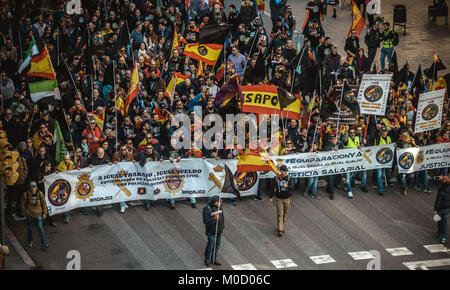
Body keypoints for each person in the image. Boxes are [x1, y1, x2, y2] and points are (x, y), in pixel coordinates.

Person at [20, 181, 50, 248]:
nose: (33, 188)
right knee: (30, 229)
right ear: (29, 187)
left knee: (40, 228)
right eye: (31, 187)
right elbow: (22, 205)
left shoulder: (40, 194)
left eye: (34, 187)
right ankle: (30, 242)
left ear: (36, 187)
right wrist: (25, 213)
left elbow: (44, 204)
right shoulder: (25, 194)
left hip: (38, 214)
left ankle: (43, 243)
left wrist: (44, 213)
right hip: (29, 214)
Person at [269, 165, 294, 237]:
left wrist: (287, 186)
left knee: (285, 213)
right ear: (281, 171)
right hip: (278, 199)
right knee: (280, 214)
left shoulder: (289, 178)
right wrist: (271, 197)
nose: (286, 173)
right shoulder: (276, 178)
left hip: (287, 199)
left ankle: (281, 224)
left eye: (286, 171)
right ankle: (280, 229)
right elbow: (272, 188)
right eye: (284, 171)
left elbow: (292, 187)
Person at [203, 195, 224, 266]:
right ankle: (207, 259)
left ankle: (213, 259)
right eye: (219, 202)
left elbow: (222, 217)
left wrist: (222, 227)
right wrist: (214, 219)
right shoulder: (207, 209)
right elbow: (206, 221)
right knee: (210, 246)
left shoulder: (219, 207)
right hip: (211, 231)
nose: (220, 203)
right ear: (215, 202)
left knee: (217, 246)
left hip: (219, 231)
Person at [434, 176, 450, 244]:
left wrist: (435, 209)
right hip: (448, 208)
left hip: (440, 208)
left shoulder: (441, 190)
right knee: (445, 222)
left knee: (439, 220)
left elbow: (438, 201)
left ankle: (439, 233)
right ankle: (443, 237)